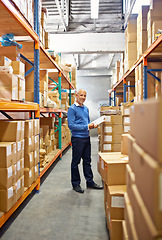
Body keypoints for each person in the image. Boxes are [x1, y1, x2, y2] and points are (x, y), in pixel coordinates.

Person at [67, 89, 103, 193]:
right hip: (77, 139)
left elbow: (87, 123)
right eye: (81, 95)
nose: (83, 97)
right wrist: (87, 126)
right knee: (76, 162)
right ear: (76, 96)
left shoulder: (86, 109)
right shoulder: (72, 109)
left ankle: (90, 182)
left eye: (85, 96)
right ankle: (76, 184)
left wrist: (94, 124)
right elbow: (71, 125)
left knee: (87, 161)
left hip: (86, 138)